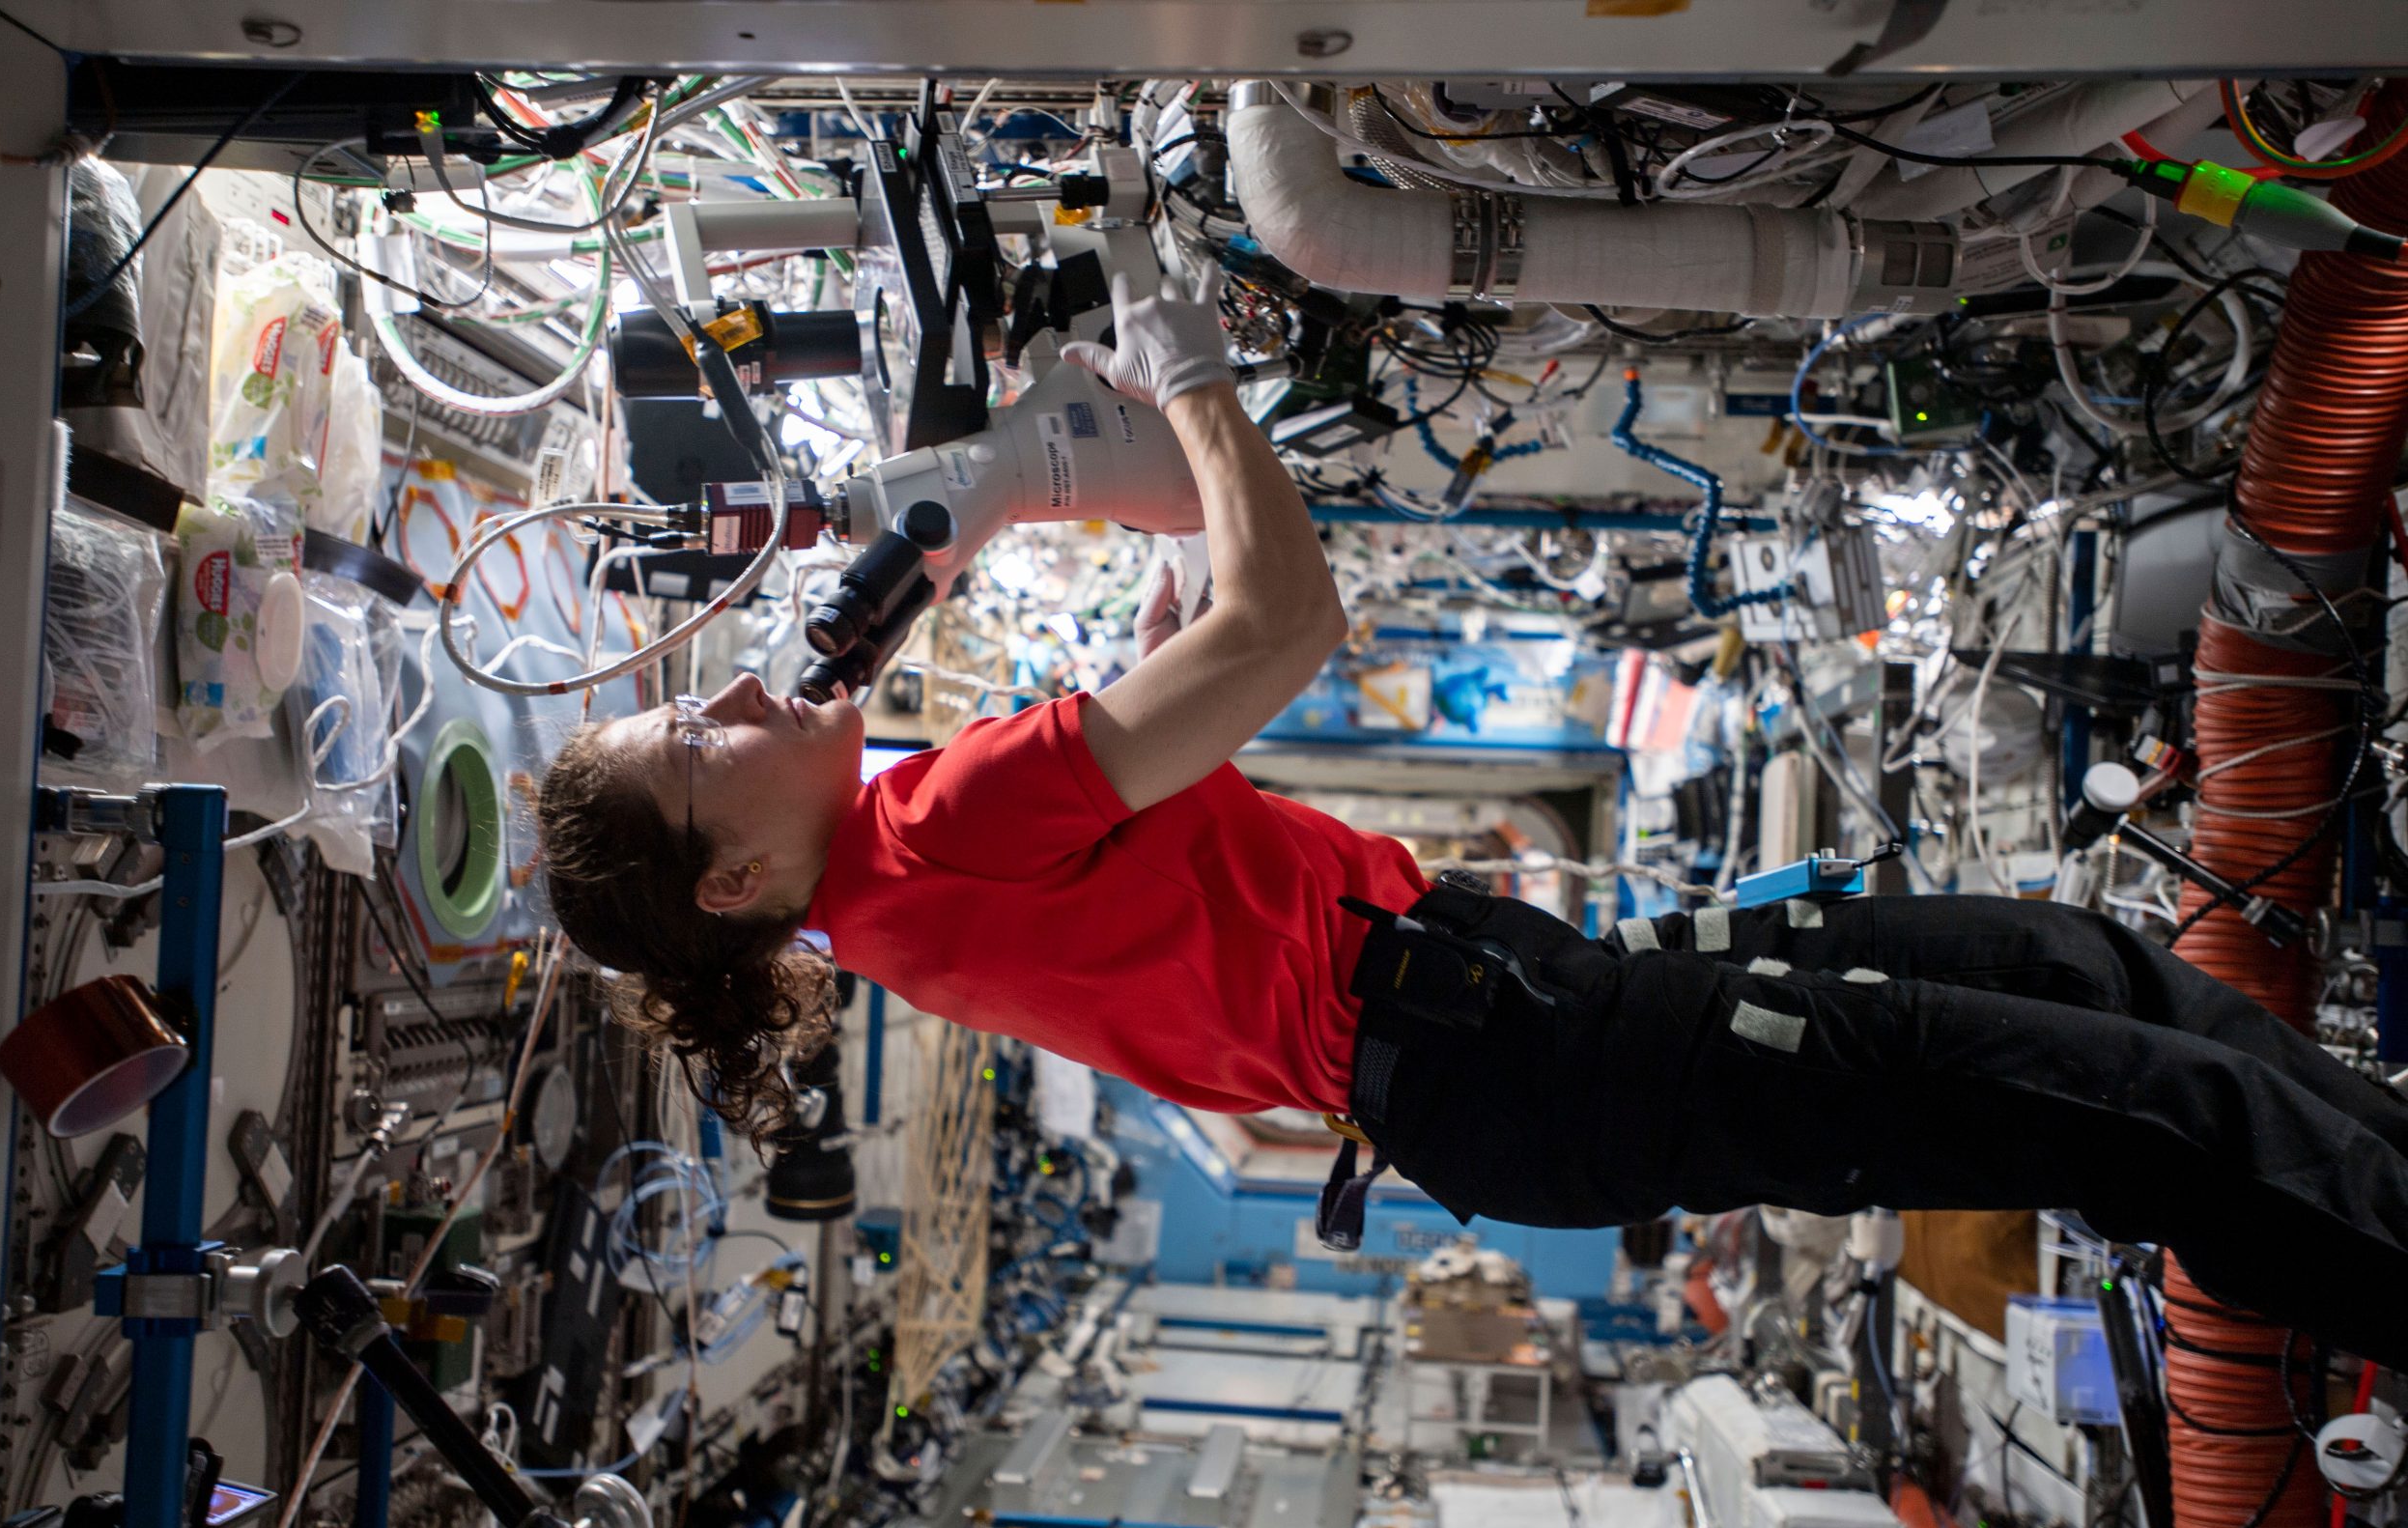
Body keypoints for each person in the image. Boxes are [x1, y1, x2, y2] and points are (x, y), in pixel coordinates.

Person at [538, 269, 2408, 1370]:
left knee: (2064, 965)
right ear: (731, 873)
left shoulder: (885, 884)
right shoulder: (926, 826)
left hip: (1511, 1018)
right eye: (698, 742)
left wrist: (1066, 514)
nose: (732, 694)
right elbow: (1287, 623)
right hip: (1520, 1048)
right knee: (2129, 1109)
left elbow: (1193, 661)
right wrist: (1189, 368)